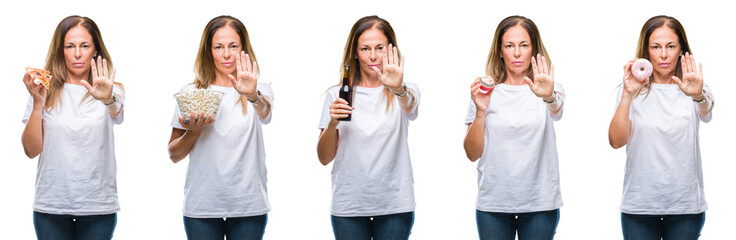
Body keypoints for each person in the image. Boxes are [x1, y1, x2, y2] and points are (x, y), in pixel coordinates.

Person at [167, 15, 273, 240]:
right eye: (218, 47)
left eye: (233, 46)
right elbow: (174, 154)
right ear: (208, 50)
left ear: (243, 48)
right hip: (202, 205)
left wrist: (252, 95)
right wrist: (193, 132)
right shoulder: (191, 94)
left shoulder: (259, 90)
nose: (226, 54)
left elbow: (265, 113)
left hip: (248, 205)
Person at [608, 15, 713, 240]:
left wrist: (698, 95)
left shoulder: (694, 86)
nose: (664, 54)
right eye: (656, 47)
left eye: (670, 46)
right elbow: (616, 141)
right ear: (646, 51)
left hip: (685, 207)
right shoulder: (631, 89)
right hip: (640, 206)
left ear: (681, 49)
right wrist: (627, 94)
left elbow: (706, 112)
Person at [317, 15, 420, 240]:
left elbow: (410, 105)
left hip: (395, 205)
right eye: (365, 48)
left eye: (380, 48)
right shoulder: (337, 95)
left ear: (390, 50)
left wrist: (398, 88)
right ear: (355, 52)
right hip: (349, 204)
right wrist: (332, 124)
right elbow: (324, 158)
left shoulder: (405, 90)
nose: (373, 56)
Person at [21, 15, 124, 240]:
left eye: (84, 46)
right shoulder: (43, 90)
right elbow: (31, 150)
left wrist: (107, 98)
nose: (77, 54)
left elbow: (117, 111)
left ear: (95, 50)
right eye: (70, 46)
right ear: (61, 50)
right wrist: (38, 103)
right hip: (51, 206)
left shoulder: (111, 89)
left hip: (98, 206)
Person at [463, 15, 564, 240]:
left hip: (540, 201)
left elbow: (557, 110)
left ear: (534, 49)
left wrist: (548, 96)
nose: (517, 53)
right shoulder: (484, 92)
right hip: (494, 202)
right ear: (500, 50)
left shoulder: (549, 88)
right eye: (509, 45)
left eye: (524, 45)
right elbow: (471, 154)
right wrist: (480, 111)